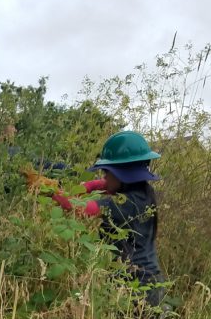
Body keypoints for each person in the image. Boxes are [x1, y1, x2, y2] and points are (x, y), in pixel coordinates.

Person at [31, 131, 166, 308]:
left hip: (138, 285)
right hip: (141, 278)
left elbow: (80, 209)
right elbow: (99, 185)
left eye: (107, 172)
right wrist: (84, 187)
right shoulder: (142, 191)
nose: (104, 177)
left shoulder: (125, 203)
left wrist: (49, 191)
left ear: (122, 174)